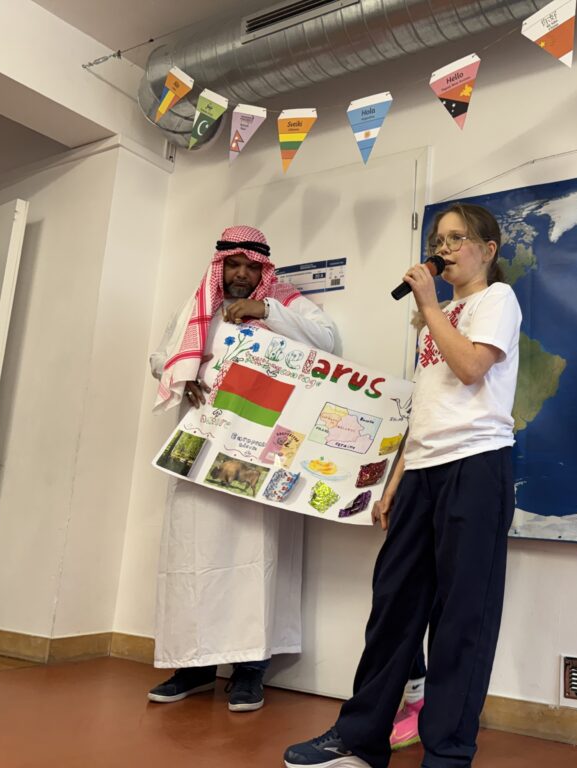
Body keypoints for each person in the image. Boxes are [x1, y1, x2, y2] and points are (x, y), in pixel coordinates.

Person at [283, 202, 522, 768]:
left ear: (487, 249)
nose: (444, 249)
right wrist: (397, 476)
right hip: (423, 471)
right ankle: (360, 737)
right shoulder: (437, 317)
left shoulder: (497, 300)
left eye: (457, 239)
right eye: (439, 240)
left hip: (476, 467)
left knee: (462, 615)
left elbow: (471, 368)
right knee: (393, 604)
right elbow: (427, 405)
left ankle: (447, 752)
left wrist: (430, 306)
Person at [147, 225, 339, 712]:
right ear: (220, 266)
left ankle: (251, 670)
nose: (239, 274)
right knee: (192, 553)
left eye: (250, 267)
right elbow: (160, 356)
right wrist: (183, 372)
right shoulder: (198, 307)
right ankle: (193, 667)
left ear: (263, 269)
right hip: (201, 448)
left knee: (256, 555)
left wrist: (266, 310)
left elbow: (330, 341)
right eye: (232, 265)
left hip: (259, 452)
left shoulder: (286, 302)